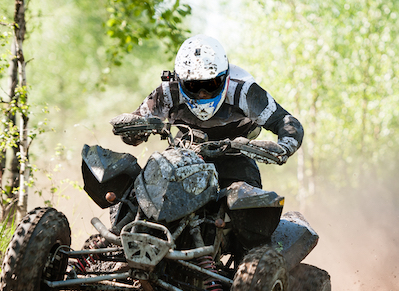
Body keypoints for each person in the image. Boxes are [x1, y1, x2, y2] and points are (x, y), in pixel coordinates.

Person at [118, 34, 304, 189]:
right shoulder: (168, 91)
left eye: (211, 84)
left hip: (235, 157)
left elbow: (285, 121)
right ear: (180, 80)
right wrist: (133, 131)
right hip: (182, 153)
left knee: (249, 210)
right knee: (141, 194)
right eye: (193, 85)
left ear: (225, 77)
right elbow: (136, 121)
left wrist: (284, 147)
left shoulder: (243, 91)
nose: (203, 93)